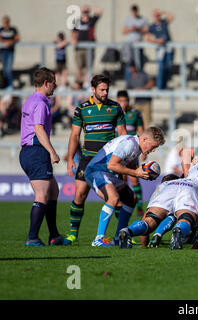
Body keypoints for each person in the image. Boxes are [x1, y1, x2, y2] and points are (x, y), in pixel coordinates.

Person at [65, 74, 127, 245]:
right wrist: (70, 158)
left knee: (118, 199)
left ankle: (120, 235)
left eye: (107, 89)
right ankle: (72, 235)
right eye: (102, 90)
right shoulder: (82, 109)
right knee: (79, 195)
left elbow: (122, 133)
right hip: (87, 159)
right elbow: (75, 135)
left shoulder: (115, 108)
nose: (105, 92)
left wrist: (127, 156)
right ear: (93, 90)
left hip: (110, 160)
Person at [85, 127, 165, 246]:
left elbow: (128, 168)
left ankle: (118, 238)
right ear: (144, 139)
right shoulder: (129, 144)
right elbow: (112, 165)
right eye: (153, 146)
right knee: (113, 198)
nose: (153, 150)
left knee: (131, 198)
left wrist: (142, 173)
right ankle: (98, 239)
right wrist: (136, 173)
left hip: (108, 174)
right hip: (96, 171)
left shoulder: (136, 147)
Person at [19, 67, 70, 246]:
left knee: (53, 191)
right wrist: (52, 151)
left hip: (28, 151)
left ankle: (54, 235)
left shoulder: (30, 100)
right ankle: (32, 237)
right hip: (36, 150)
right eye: (54, 83)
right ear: (46, 83)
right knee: (42, 194)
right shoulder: (41, 103)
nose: (55, 86)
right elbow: (38, 129)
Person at [116, 90, 145, 217]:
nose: (123, 103)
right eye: (120, 101)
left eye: (125, 101)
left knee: (134, 179)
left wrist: (143, 150)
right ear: (117, 100)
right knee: (122, 181)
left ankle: (139, 206)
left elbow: (141, 131)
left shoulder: (135, 114)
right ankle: (123, 204)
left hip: (132, 151)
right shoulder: (114, 113)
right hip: (119, 152)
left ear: (128, 101)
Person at [71, 5, 102, 85]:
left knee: (88, 67)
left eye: (87, 12)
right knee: (79, 66)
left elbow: (100, 11)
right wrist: (74, 39)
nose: (86, 13)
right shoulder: (78, 21)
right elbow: (73, 31)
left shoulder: (91, 20)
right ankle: (79, 83)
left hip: (89, 47)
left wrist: (90, 8)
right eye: (84, 12)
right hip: (80, 47)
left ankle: (86, 83)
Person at [146, 9, 175, 90]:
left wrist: (163, 12)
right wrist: (157, 41)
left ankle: (165, 85)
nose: (157, 17)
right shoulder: (152, 26)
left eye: (158, 15)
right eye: (156, 15)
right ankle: (160, 86)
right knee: (161, 67)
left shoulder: (164, 22)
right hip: (161, 49)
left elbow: (172, 17)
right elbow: (147, 38)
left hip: (168, 49)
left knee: (168, 67)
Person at [122, 4, 148, 81]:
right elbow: (123, 31)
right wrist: (131, 29)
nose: (134, 12)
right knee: (129, 64)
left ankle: (139, 81)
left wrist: (138, 29)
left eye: (135, 11)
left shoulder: (142, 19)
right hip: (130, 46)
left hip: (138, 46)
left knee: (139, 64)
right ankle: (129, 82)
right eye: (133, 11)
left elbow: (146, 31)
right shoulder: (128, 19)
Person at [0, 15, 20, 90]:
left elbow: (17, 38)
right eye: (4, 22)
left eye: (6, 22)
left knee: (8, 69)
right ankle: (5, 84)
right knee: (4, 69)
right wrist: (5, 42)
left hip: (10, 51)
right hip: (3, 51)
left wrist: (10, 42)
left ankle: (10, 85)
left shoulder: (13, 29)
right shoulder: (1, 29)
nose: (5, 23)